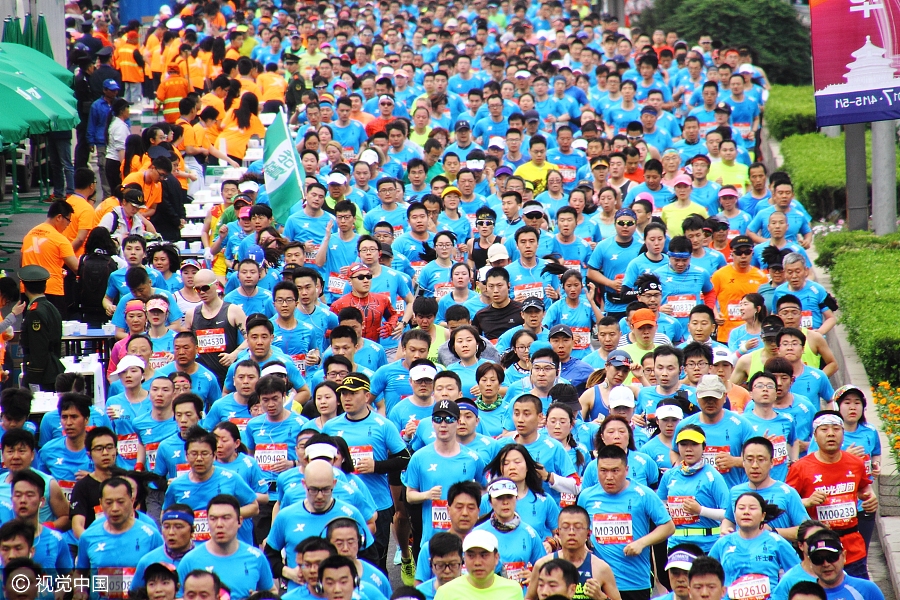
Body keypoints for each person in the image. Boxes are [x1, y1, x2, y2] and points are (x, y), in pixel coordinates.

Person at [323, 373, 411, 574]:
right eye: (343, 394)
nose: (346, 398)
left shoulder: (383, 425)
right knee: (340, 561)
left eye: (353, 394)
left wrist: (376, 466)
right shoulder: (331, 426)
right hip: (340, 502)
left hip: (376, 503)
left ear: (366, 395)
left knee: (375, 563)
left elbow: (405, 458)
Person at [787, 410, 878, 578]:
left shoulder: (856, 463)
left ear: (843, 433)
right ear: (814, 435)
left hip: (852, 548)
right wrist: (807, 501)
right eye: (824, 429)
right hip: (817, 550)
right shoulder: (800, 467)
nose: (830, 434)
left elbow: (864, 488)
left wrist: (870, 498)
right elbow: (786, 503)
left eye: (836, 429)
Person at [577, 445, 674, 600]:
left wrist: (642, 543)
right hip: (597, 581)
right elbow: (579, 528)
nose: (609, 477)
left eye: (615, 471)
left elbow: (668, 527)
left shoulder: (644, 494)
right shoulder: (586, 497)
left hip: (634, 581)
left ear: (626, 470)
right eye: (603, 471)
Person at [163, 426, 260, 544]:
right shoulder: (176, 485)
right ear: (186, 455)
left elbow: (254, 507)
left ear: (214, 455)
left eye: (204, 453)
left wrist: (226, 515)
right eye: (194, 454)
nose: (199, 459)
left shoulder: (230, 478)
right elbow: (165, 514)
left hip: (226, 548)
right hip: (191, 550)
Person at [73, 477, 165, 600]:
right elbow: (80, 573)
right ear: (101, 502)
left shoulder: (151, 535)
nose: (115, 508)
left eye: (120, 502)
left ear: (132, 500)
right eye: (109, 502)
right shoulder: (88, 536)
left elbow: (164, 575)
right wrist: (80, 590)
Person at [176, 495, 276, 599]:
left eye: (226, 518)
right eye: (213, 518)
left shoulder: (256, 557)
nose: (219, 524)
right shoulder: (190, 560)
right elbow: (178, 597)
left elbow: (272, 592)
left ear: (240, 521)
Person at [708, 492, 800, 600]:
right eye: (741, 508)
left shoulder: (776, 541)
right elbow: (706, 574)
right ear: (734, 514)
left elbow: (797, 573)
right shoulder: (723, 543)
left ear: (762, 516)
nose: (746, 512)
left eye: (752, 508)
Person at [721, 437, 810, 541]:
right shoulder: (735, 491)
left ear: (772, 462)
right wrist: (725, 529)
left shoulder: (787, 493)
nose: (754, 466)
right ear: (743, 463)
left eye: (761, 460)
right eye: (749, 460)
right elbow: (729, 519)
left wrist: (773, 531)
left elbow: (807, 531)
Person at [657, 425, 729, 552]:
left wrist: (700, 510)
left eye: (694, 444)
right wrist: (666, 510)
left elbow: (728, 514)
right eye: (684, 444)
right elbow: (659, 505)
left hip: (706, 545)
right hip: (676, 545)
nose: (689, 449)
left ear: (703, 447)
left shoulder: (713, 476)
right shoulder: (669, 475)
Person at [525, 505, 621, 600]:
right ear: (558, 532)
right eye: (566, 527)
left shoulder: (601, 568)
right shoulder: (542, 565)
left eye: (578, 527)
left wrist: (602, 598)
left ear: (588, 533)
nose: (571, 532)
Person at [433, 530, 524, 600]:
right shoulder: (446, 592)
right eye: (471, 556)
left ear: (496, 558)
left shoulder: (513, 590)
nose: (477, 562)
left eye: (484, 555)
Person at [18, 266, 64, 391]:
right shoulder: (50, 307)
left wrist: (33, 375)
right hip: (52, 365)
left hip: (42, 372)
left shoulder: (35, 312)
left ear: (24, 287)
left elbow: (39, 346)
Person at [804, 530, 884, 600]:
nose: (826, 564)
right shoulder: (803, 596)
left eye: (832, 557)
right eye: (818, 559)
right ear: (810, 562)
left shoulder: (867, 590)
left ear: (844, 556)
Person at [131, 505, 196, 587]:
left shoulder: (202, 558)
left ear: (192, 529)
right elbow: (135, 595)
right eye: (166, 527)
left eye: (178, 527)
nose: (171, 532)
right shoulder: (147, 562)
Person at [770, 521, 828, 600]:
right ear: (800, 545)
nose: (818, 543)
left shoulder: (837, 574)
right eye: (811, 540)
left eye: (822, 538)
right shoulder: (788, 580)